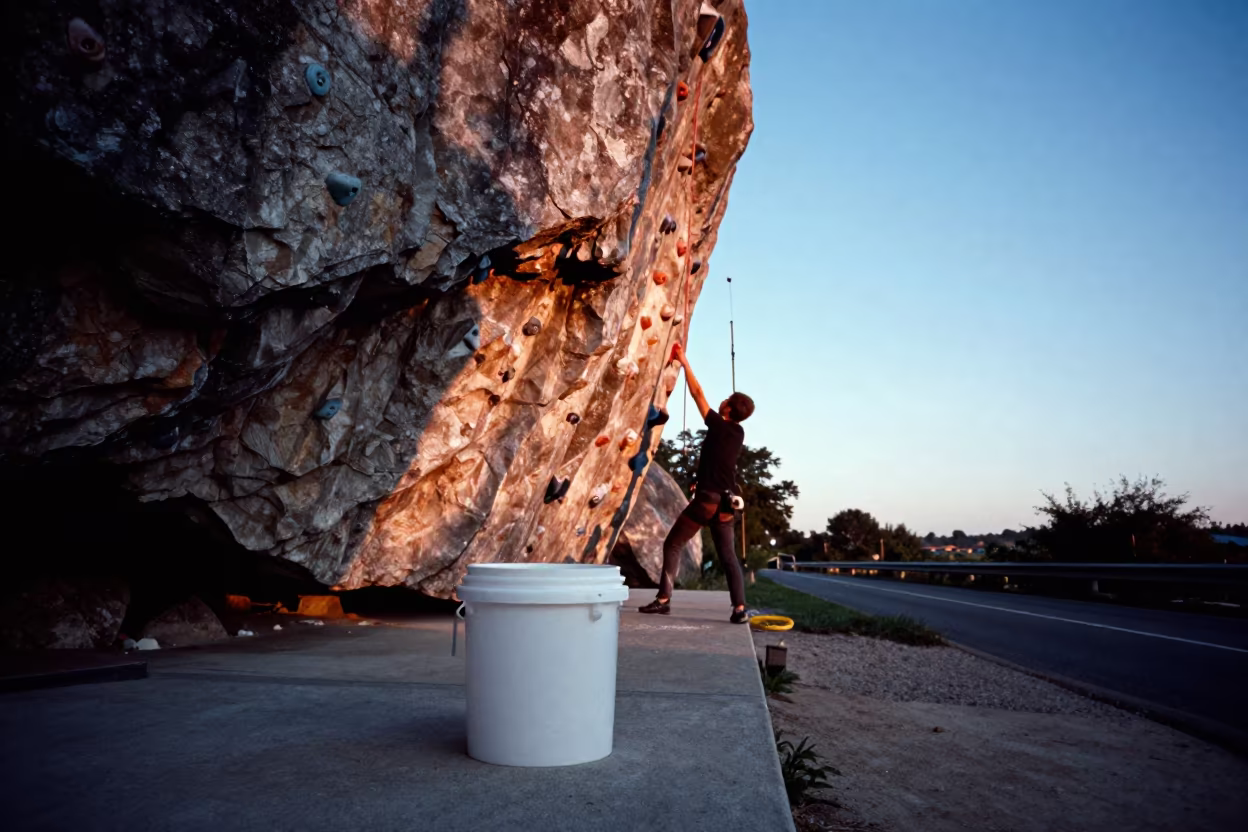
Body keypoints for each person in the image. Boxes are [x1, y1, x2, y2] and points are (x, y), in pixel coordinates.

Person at [639, 343, 754, 623]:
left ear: (727, 409)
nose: (722, 400)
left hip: (707, 502)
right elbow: (719, 462)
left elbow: (697, 394)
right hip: (726, 503)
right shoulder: (738, 433)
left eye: (726, 399)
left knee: (673, 545)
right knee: (729, 557)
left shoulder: (718, 425)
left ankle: (663, 599)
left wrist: (683, 361)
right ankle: (739, 608)